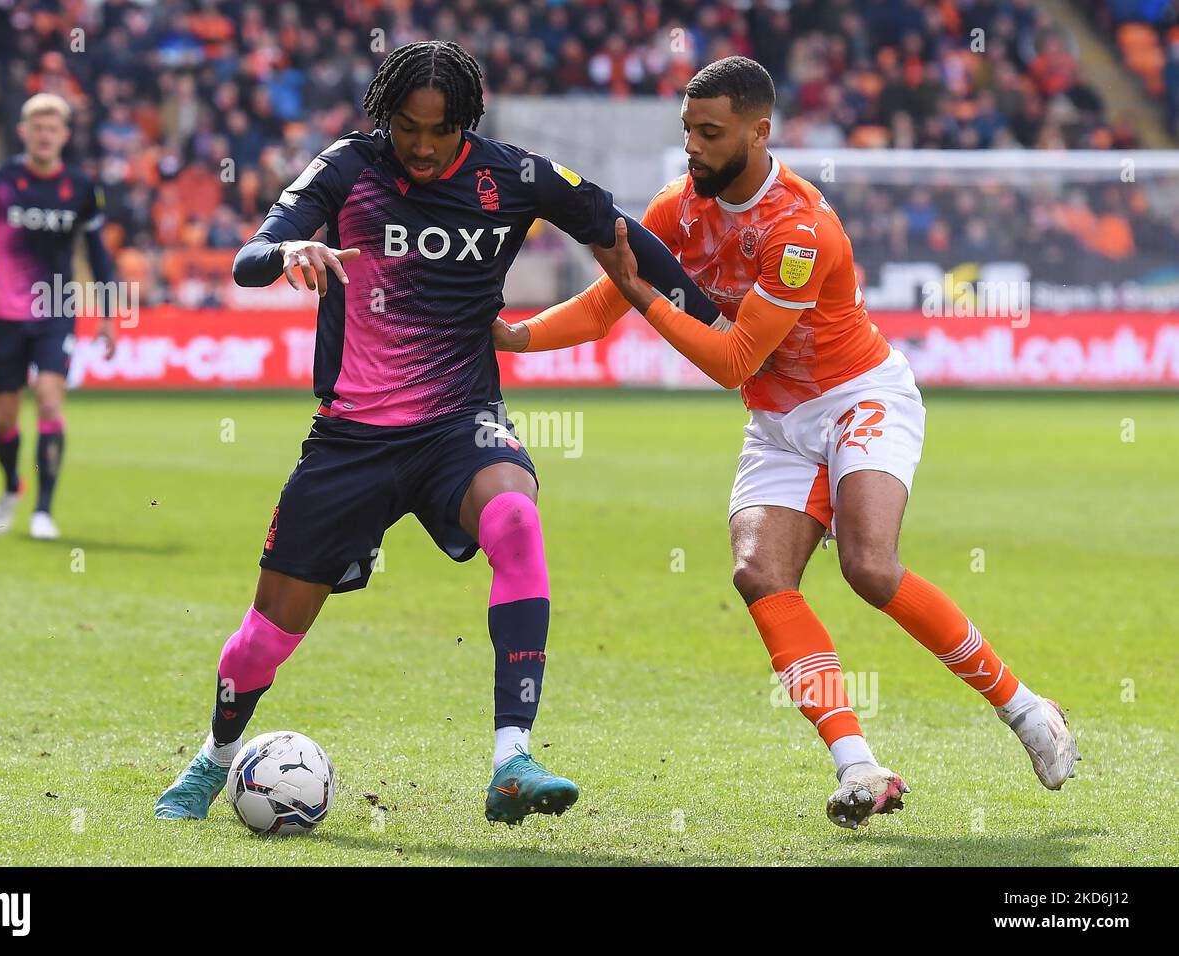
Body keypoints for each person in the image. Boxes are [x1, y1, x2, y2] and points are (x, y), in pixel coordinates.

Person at [495, 57, 1080, 830]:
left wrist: (646, 297)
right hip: (779, 420)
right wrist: (512, 337)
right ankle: (859, 766)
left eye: (710, 134)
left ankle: (1024, 708)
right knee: (758, 571)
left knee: (870, 566)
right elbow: (604, 306)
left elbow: (735, 357)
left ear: (758, 131)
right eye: (687, 132)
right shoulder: (680, 207)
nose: (693, 149)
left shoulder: (800, 227)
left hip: (858, 398)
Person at [154, 41, 723, 826]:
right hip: (351, 438)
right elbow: (251, 257)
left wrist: (709, 315)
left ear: (468, 123)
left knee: (517, 519)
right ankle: (212, 761)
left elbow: (616, 231)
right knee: (265, 639)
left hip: (460, 423)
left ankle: (512, 757)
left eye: (441, 130)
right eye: (406, 127)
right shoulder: (347, 170)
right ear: (384, 116)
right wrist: (290, 249)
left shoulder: (513, 176)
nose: (421, 146)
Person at [0, 93, 116, 540]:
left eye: (54, 129)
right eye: (37, 128)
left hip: (57, 309)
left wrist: (108, 312)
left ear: (64, 136)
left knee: (48, 399)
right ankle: (11, 486)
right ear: (25, 132)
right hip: (5, 310)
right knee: (5, 419)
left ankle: (43, 510)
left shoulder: (83, 189)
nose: (45, 136)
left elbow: (98, 256)